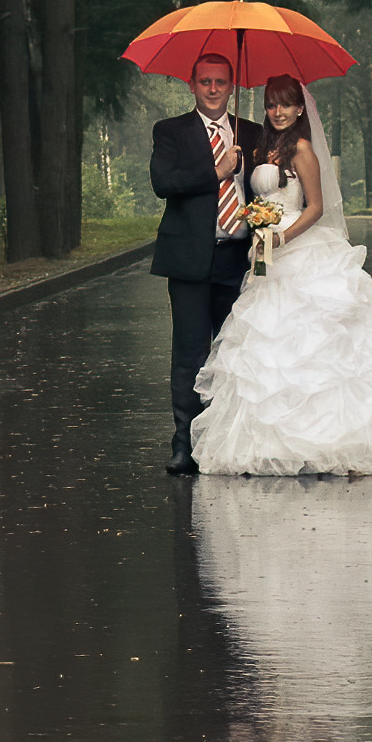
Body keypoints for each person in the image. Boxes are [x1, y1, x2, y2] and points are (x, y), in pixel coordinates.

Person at [189, 74, 372, 477]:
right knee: (269, 343)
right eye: (271, 104)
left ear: (300, 109)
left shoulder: (302, 149)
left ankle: (337, 437)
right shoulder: (261, 148)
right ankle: (271, 440)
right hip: (266, 257)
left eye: (286, 104)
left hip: (299, 250)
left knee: (317, 342)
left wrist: (283, 237)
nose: (278, 112)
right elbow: (256, 195)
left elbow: (315, 207)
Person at [151, 53, 265, 475]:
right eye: (205, 82)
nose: (213, 89)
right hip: (190, 262)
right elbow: (164, 183)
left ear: (232, 86)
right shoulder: (171, 132)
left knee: (238, 354)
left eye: (220, 82)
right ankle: (184, 443)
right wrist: (216, 170)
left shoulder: (251, 132)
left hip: (239, 261)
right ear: (192, 85)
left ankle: (231, 440)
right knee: (190, 354)